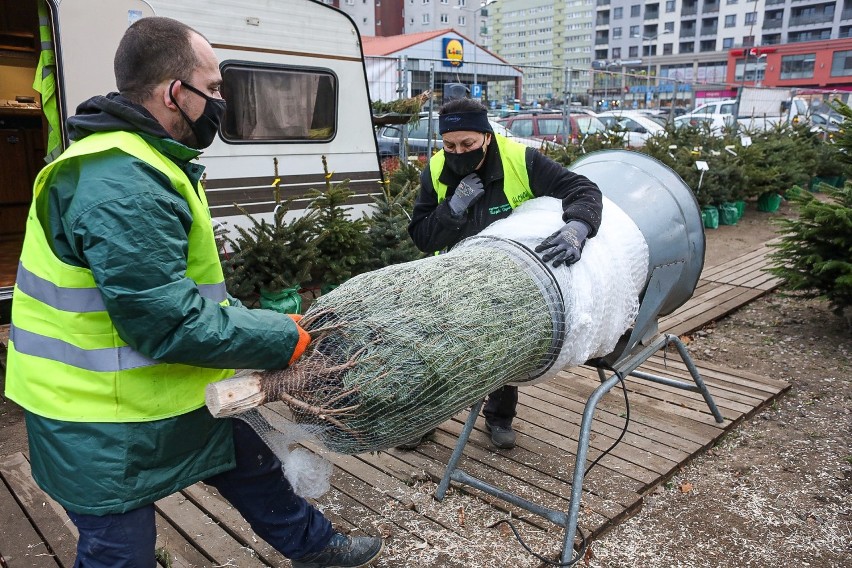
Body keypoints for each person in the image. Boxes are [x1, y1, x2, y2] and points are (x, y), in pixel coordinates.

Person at [3, 17, 382, 568]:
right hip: (98, 419)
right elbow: (169, 323)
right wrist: (285, 336)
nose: (220, 101)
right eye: (214, 88)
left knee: (249, 463)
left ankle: (319, 548)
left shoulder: (142, 159)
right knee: (120, 552)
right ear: (175, 93)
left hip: (165, 389)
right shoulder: (123, 184)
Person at [403, 98, 603, 450]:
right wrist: (453, 208)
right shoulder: (436, 170)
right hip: (450, 273)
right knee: (436, 350)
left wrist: (578, 226)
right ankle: (424, 418)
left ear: (487, 137)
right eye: (450, 145)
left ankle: (499, 417)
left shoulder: (521, 160)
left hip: (505, 275)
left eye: (468, 144)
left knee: (501, 346)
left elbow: (583, 189)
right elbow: (422, 237)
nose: (458, 152)